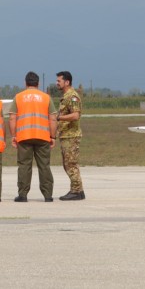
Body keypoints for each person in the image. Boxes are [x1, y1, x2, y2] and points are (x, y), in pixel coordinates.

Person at [10, 71, 57, 202]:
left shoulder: (18, 97)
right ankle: (48, 195)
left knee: (24, 166)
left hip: (24, 137)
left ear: (25, 83)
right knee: (44, 166)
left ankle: (23, 195)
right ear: (38, 83)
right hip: (43, 137)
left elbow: (12, 118)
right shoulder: (46, 97)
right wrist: (53, 137)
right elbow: (53, 118)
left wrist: (13, 135)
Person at [56, 70, 85, 200]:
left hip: (71, 136)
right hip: (66, 135)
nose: (57, 83)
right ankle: (79, 190)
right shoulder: (66, 96)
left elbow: (75, 115)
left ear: (67, 82)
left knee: (71, 164)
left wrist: (59, 118)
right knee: (68, 164)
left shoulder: (72, 96)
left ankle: (76, 191)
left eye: (59, 81)